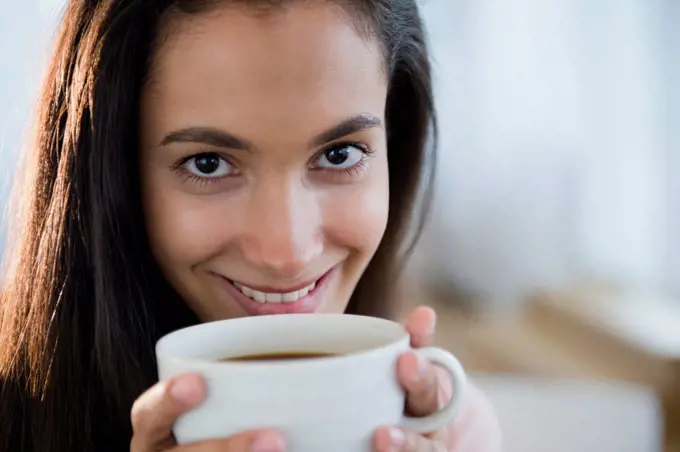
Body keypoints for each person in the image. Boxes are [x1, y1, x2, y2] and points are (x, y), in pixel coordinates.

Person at [0, 0, 501, 451]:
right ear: (113, 175)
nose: (287, 252)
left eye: (339, 153)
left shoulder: (452, 430)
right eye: (209, 164)